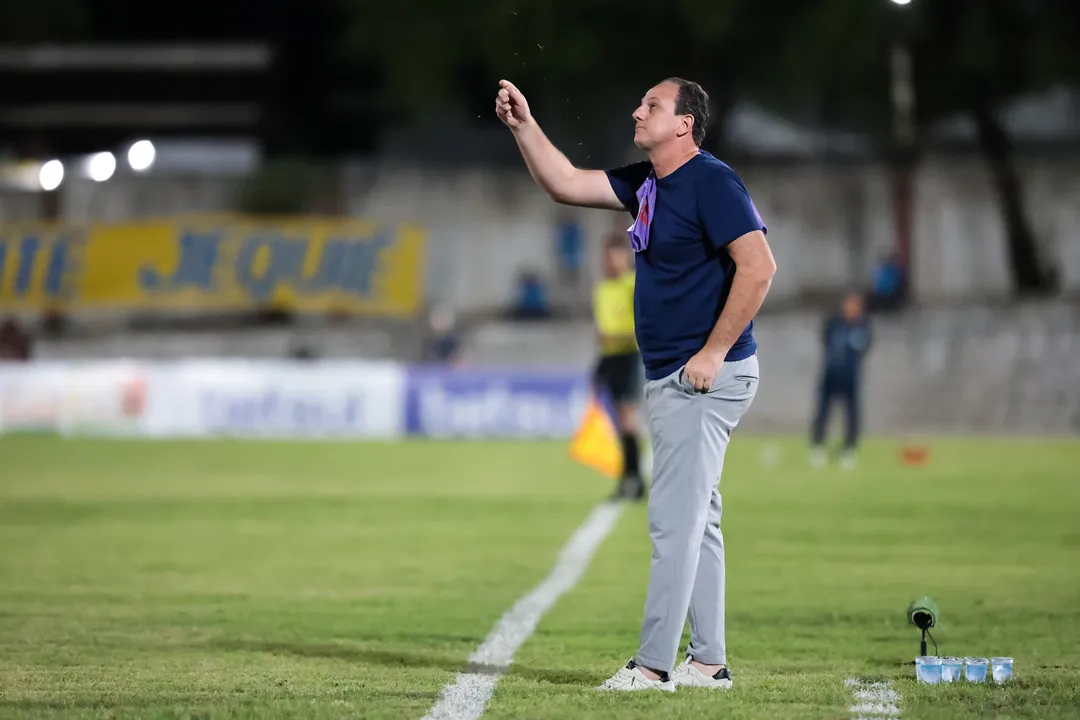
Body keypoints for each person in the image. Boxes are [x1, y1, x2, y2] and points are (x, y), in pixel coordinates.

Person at [496, 77, 777, 692]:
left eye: (652, 105)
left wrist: (713, 351)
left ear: (684, 124)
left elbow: (759, 267)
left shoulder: (712, 180)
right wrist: (524, 126)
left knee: (673, 523)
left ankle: (653, 667)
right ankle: (707, 662)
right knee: (697, 520)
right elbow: (565, 182)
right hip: (675, 373)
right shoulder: (649, 183)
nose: (637, 110)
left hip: (703, 375)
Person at [592, 234, 646, 501]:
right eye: (606, 256)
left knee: (627, 420)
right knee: (616, 420)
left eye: (614, 255)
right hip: (609, 358)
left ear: (624, 257)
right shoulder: (601, 288)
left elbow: (640, 329)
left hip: (629, 356)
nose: (610, 261)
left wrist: (614, 337)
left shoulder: (633, 284)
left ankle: (634, 480)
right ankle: (627, 478)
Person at [810, 291, 872, 469]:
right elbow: (825, 342)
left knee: (851, 413)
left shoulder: (862, 326)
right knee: (823, 410)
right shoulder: (834, 324)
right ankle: (818, 446)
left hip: (851, 376)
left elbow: (865, 347)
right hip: (830, 373)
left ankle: (848, 449)